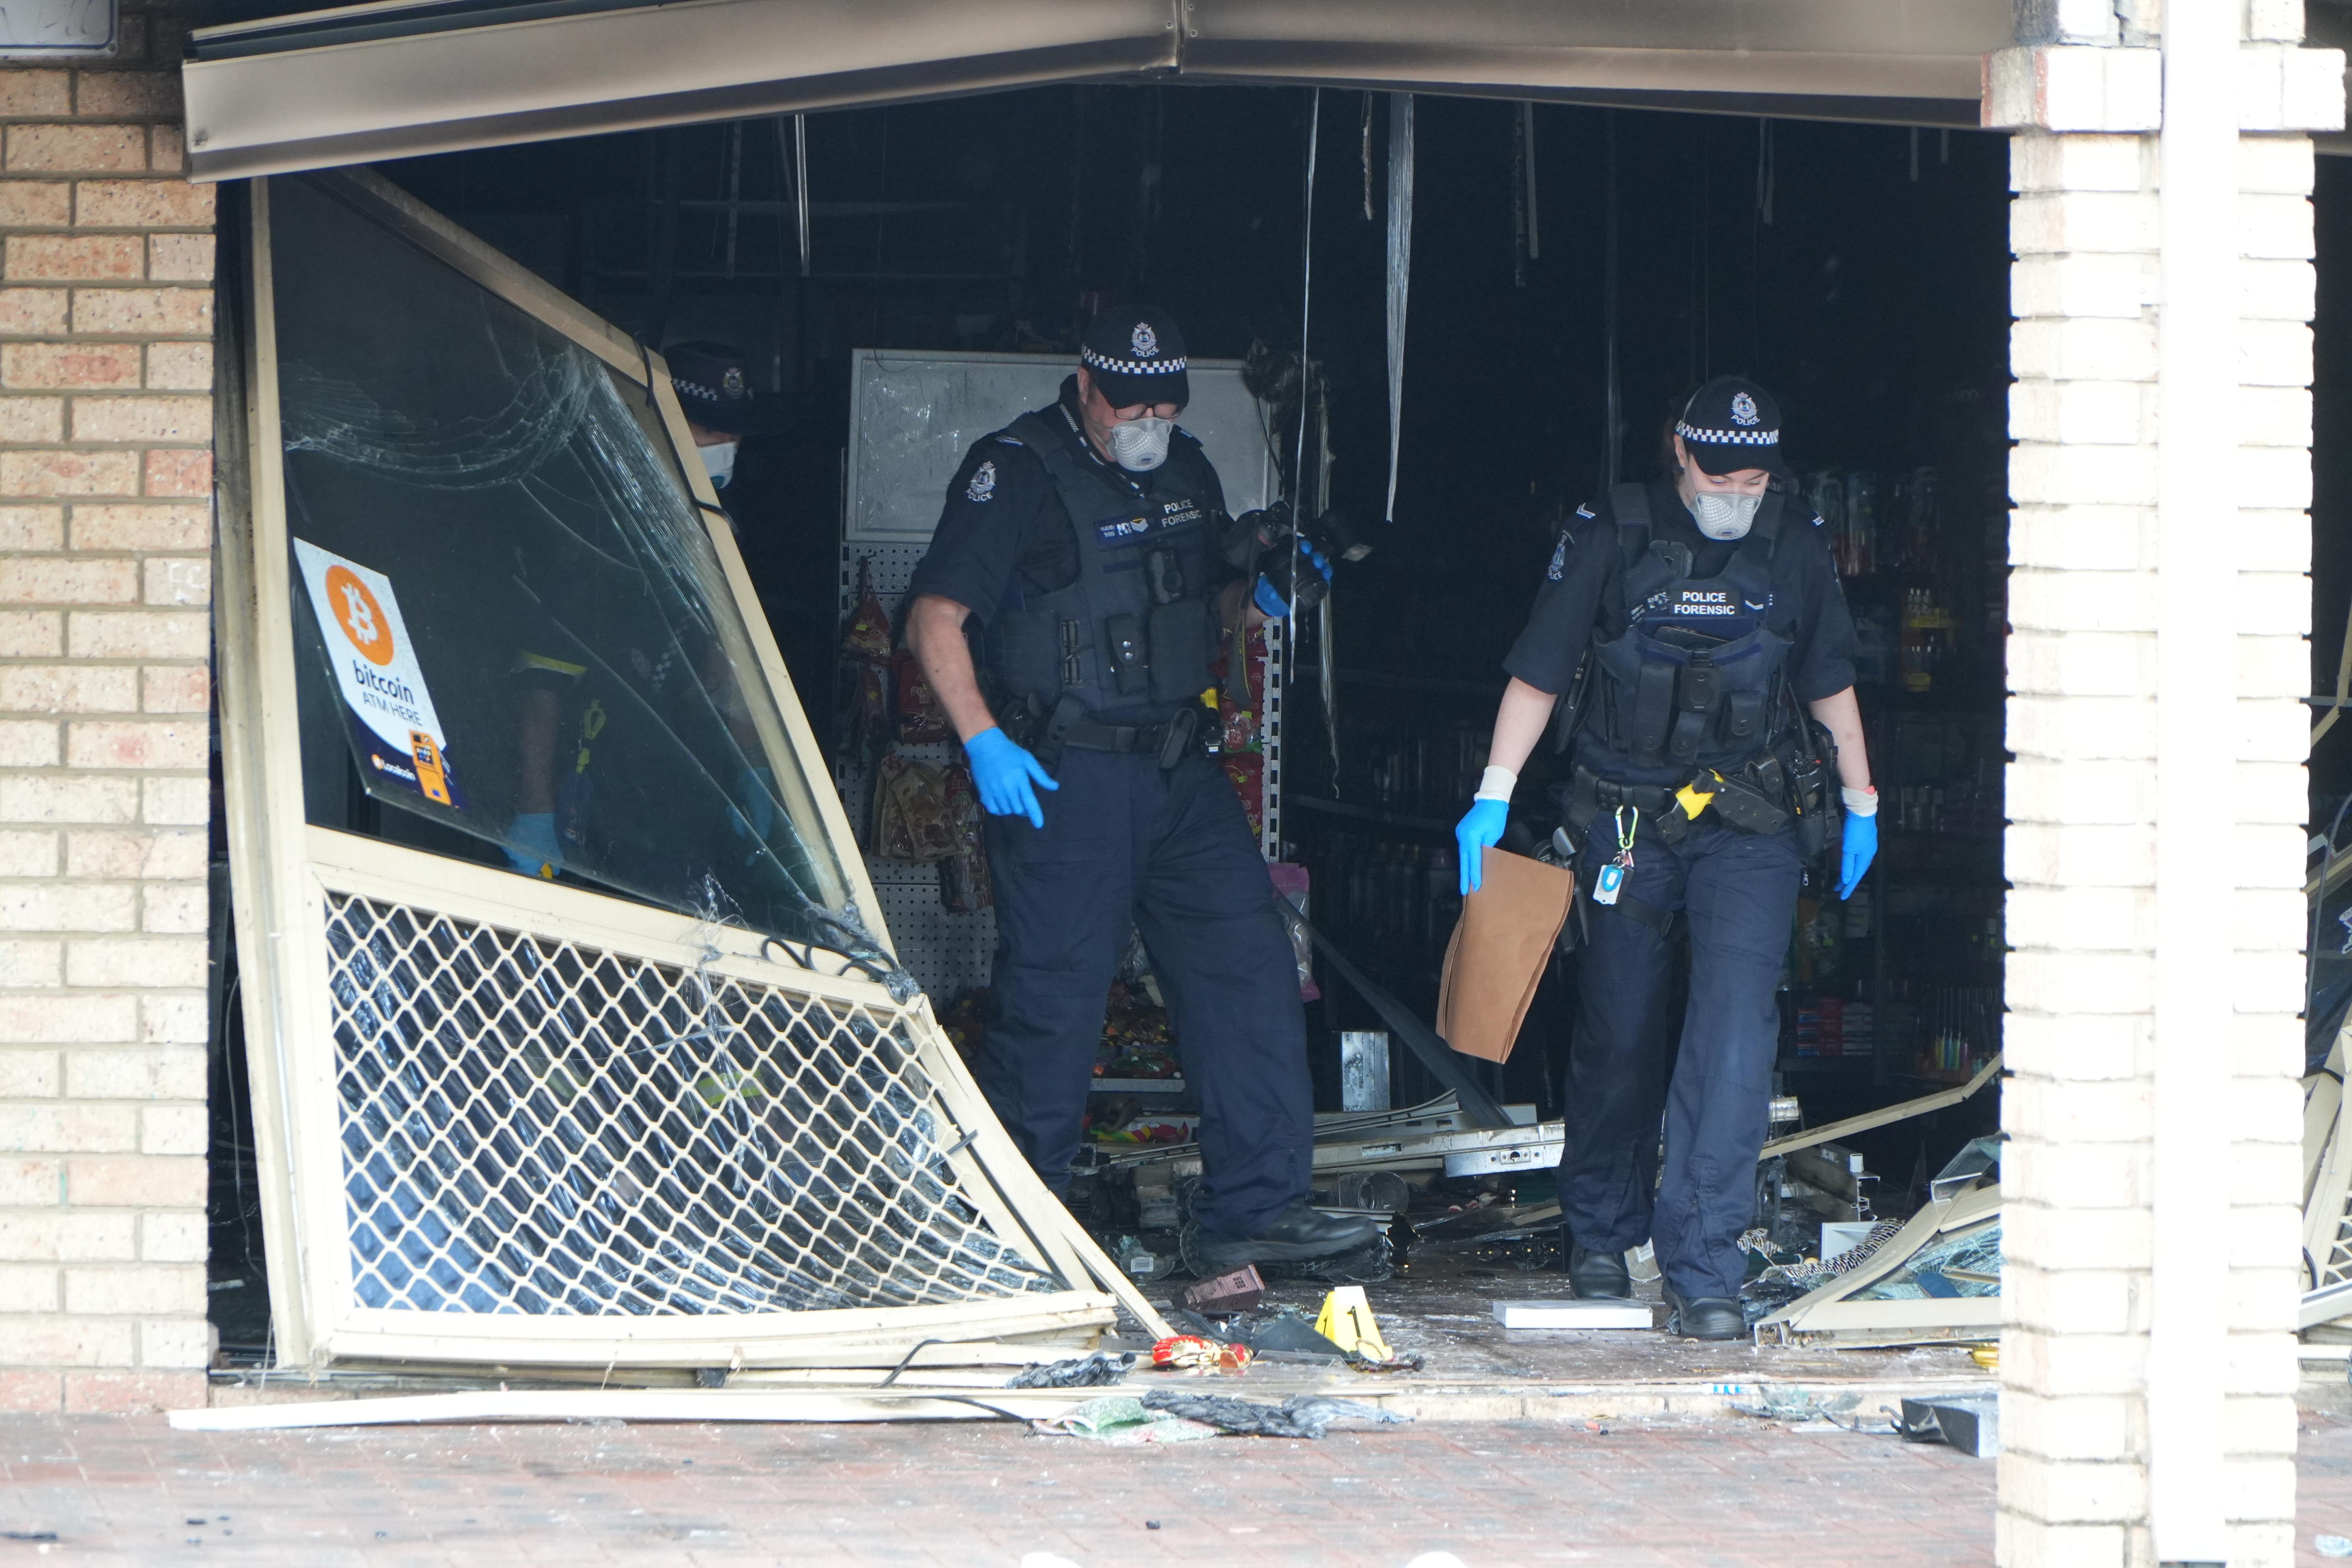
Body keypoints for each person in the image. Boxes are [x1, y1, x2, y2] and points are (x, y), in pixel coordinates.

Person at [903, 304, 1376, 1270]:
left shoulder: (1190, 469)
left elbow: (1212, 601)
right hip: (1064, 775)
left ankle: (1252, 1208)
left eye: (1163, 402)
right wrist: (984, 740)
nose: (1146, 420)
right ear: (1085, 385)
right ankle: (1014, 1226)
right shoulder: (1019, 473)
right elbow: (935, 617)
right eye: (1129, 403)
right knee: (1055, 999)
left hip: (1180, 772)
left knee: (1248, 970)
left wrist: (1274, 587)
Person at [1453, 376, 1879, 1340]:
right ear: (1677, 451)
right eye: (1720, 473)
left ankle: (1704, 1266)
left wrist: (1862, 798)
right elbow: (1540, 668)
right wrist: (1493, 791)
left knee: (1732, 1039)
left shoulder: (1796, 539)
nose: (1738, 492)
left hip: (1750, 818)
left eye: (1754, 476)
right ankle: (1600, 1228)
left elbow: (1827, 677)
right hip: (1623, 821)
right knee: (1620, 1027)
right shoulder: (1608, 530)